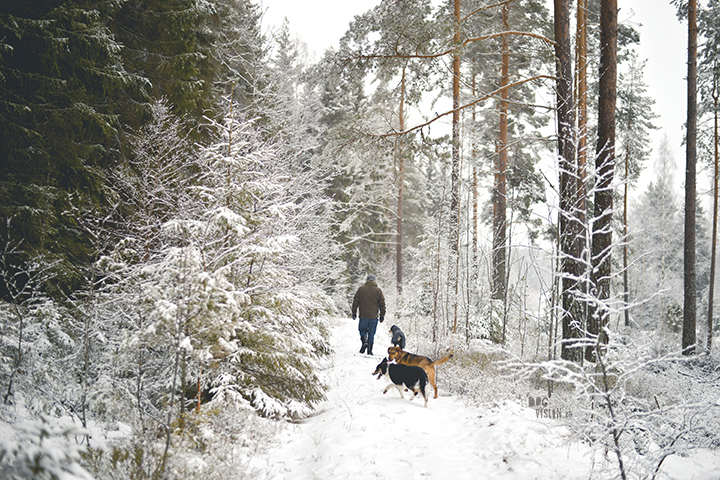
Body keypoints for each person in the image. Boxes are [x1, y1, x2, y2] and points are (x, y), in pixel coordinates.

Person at [351, 274, 386, 355]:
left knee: (362, 330)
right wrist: (382, 315)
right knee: (371, 332)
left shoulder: (361, 289)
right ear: (374, 281)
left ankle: (364, 342)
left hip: (363, 315)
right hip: (374, 317)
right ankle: (369, 350)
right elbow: (382, 304)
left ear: (367, 280)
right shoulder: (378, 290)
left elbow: (355, 301)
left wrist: (354, 312)